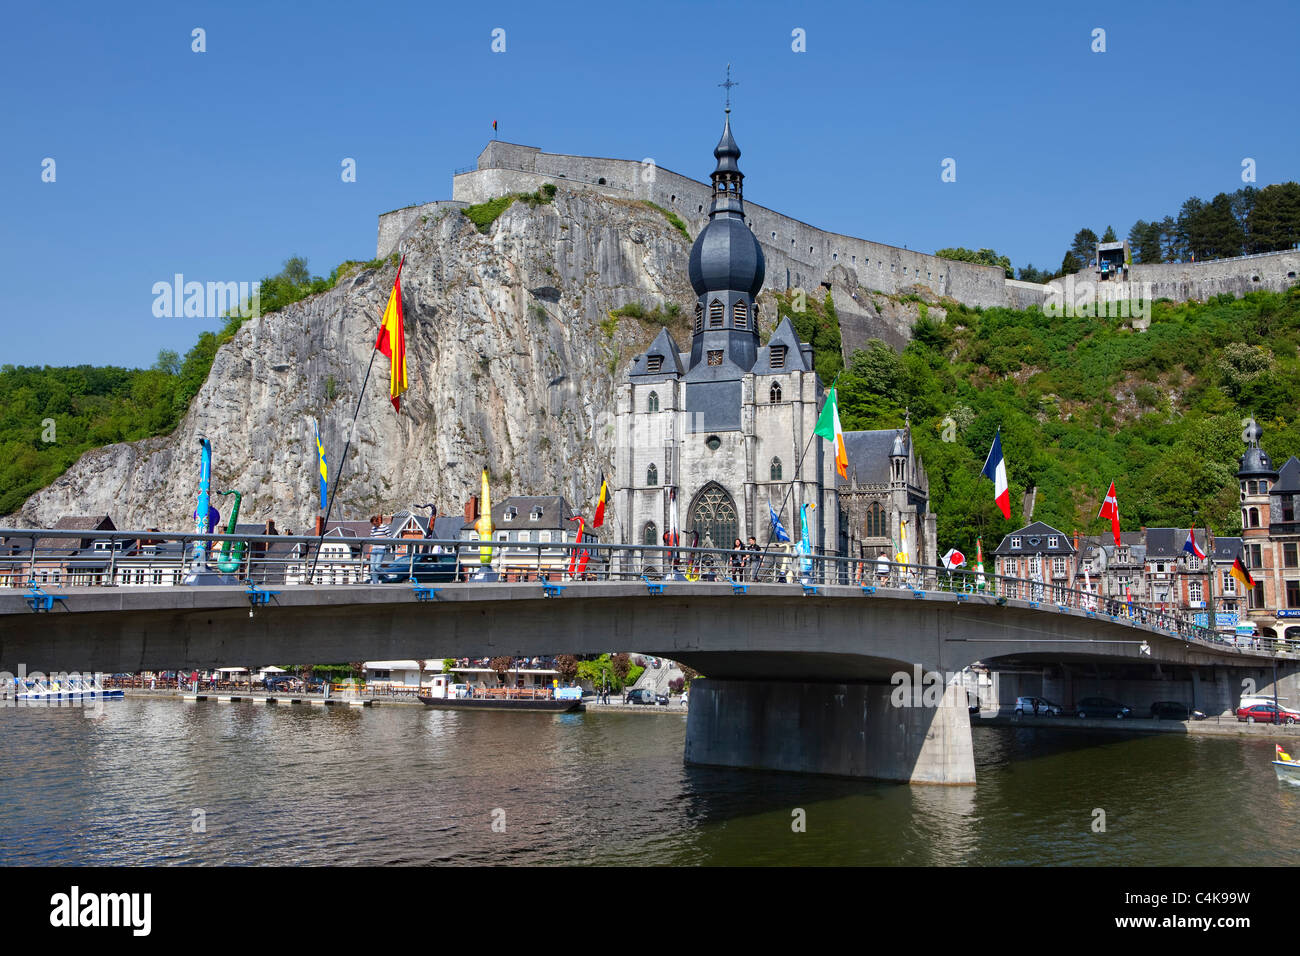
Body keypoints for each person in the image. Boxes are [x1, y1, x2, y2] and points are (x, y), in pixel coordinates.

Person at [369, 514, 391, 583]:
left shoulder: (384, 527)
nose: (374, 525)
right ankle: (375, 583)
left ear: (378, 521)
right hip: (374, 549)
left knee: (377, 567)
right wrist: (370, 550)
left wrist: (382, 538)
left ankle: (387, 575)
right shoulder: (373, 529)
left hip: (381, 548)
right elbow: (371, 539)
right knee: (372, 568)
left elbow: (390, 537)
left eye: (375, 524)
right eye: (373, 524)